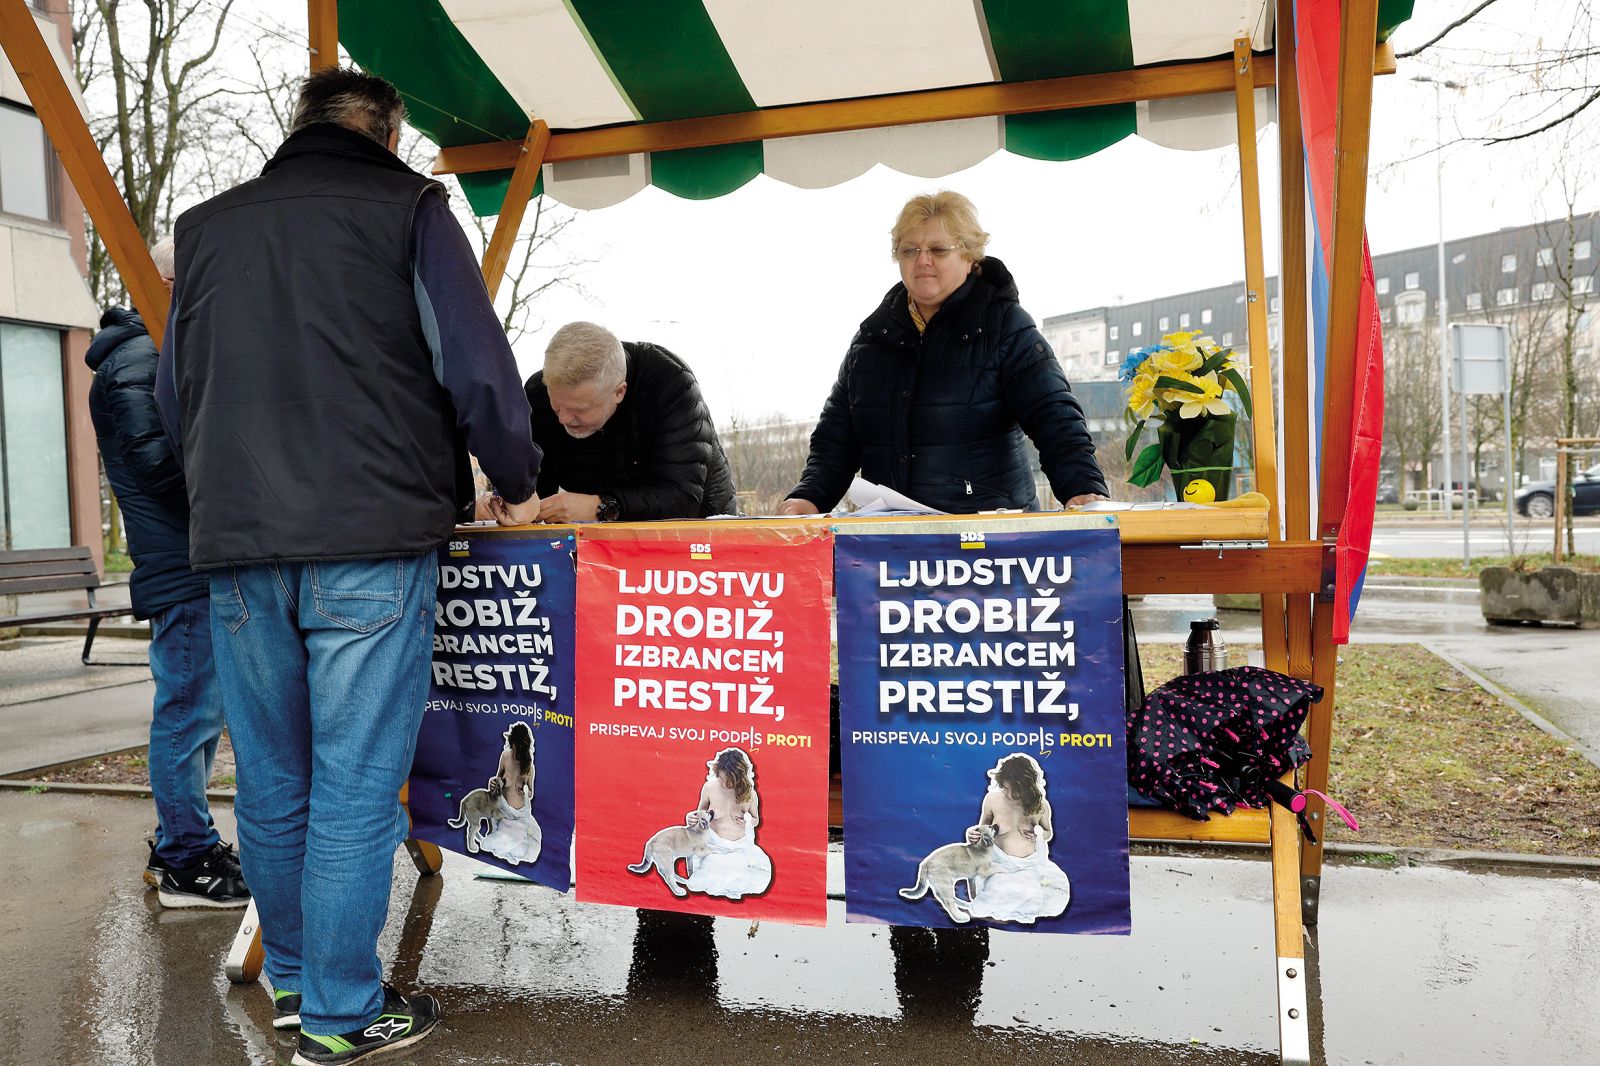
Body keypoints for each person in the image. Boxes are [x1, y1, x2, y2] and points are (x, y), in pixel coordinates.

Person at [157, 68, 541, 1065]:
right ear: (388, 129)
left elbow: (172, 396)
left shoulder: (203, 230)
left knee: (275, 778)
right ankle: (339, 1010)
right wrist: (515, 473)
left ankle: (292, 980)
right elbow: (477, 366)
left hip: (239, 546)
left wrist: (222, 493)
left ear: (299, 126)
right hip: (369, 537)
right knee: (358, 783)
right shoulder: (407, 206)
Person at [85, 238, 249, 911]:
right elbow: (166, 469)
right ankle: (184, 856)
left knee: (196, 715)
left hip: (196, 563)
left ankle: (184, 841)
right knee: (188, 714)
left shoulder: (159, 352)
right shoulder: (137, 361)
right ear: (173, 282)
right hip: (183, 571)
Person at [779, 191, 1109, 516]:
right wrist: (807, 498)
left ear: (970, 256)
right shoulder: (869, 342)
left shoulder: (1007, 329)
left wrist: (1082, 489)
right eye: (910, 250)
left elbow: (1056, 422)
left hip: (992, 550)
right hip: (888, 548)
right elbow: (834, 443)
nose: (922, 260)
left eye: (938, 249)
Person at [520, 321, 736, 522]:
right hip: (597, 530)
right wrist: (511, 500)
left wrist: (600, 507)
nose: (563, 418)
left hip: (699, 525)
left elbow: (681, 497)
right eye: (556, 405)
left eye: (579, 410)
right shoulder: (537, 394)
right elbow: (534, 483)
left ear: (619, 392)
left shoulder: (670, 385)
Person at [962, 753, 1070, 924]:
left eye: (1015, 789)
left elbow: (1049, 832)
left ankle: (1021, 902)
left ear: (1027, 786)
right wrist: (972, 833)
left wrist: (1039, 833)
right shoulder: (992, 799)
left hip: (1030, 866)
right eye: (1006, 788)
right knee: (996, 891)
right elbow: (981, 830)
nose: (1009, 793)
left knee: (1035, 895)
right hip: (998, 865)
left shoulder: (1041, 805)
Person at [681, 747, 772, 900]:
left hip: (739, 847)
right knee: (712, 868)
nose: (724, 783)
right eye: (721, 778)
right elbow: (699, 815)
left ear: (739, 777)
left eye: (728, 780)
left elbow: (756, 819)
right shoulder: (710, 787)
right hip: (714, 845)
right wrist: (691, 817)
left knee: (737, 873)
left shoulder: (750, 794)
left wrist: (748, 820)